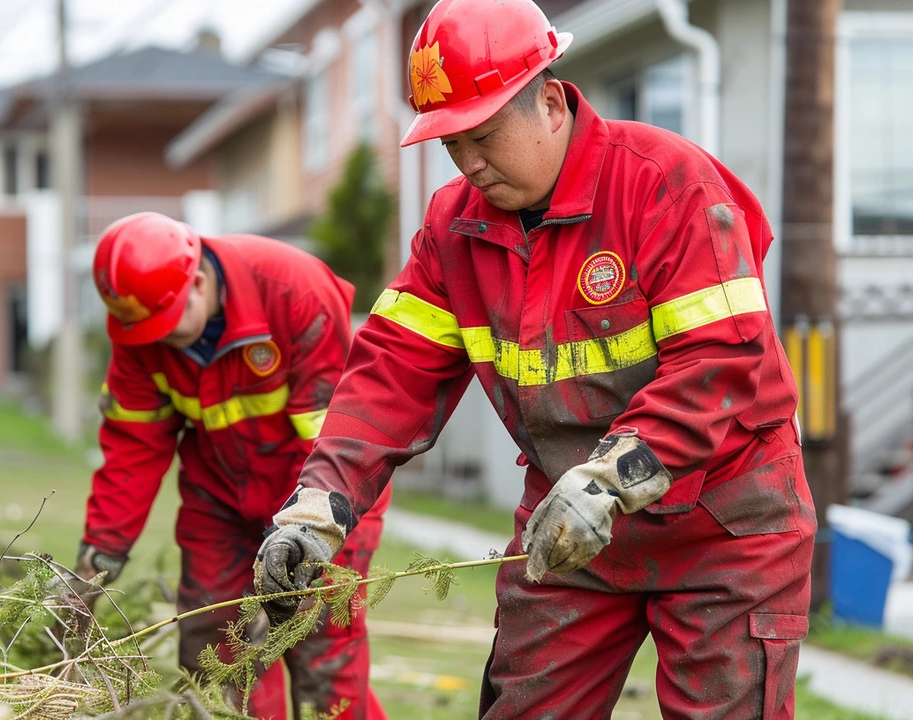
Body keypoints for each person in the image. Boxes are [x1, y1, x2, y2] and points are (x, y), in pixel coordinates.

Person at [254, 0, 815, 718]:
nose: (469, 163)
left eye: (482, 136)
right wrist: (316, 510)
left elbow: (720, 361)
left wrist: (609, 482)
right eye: (452, 143)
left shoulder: (665, 183)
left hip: (724, 525)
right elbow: (389, 376)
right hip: (567, 529)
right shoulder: (452, 228)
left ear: (550, 102)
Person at [80, 212, 390, 720]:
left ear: (197, 282)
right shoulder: (141, 329)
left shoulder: (294, 292)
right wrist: (99, 554)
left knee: (321, 652)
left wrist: (312, 531)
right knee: (212, 650)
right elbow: (132, 446)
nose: (157, 342)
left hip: (320, 498)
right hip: (217, 497)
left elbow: (341, 443)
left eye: (165, 326)